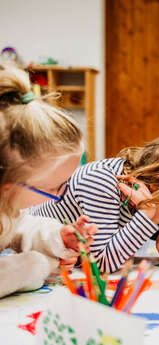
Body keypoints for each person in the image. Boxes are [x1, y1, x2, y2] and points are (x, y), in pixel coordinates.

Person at [30, 131, 159, 273]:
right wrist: (146, 215)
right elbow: (101, 264)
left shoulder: (137, 188)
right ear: (158, 184)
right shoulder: (103, 182)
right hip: (25, 247)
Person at [0, 64, 97, 298]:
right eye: (53, 188)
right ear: (9, 187)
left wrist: (57, 236)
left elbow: (16, 227)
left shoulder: (7, 203)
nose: (61, 194)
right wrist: (36, 265)